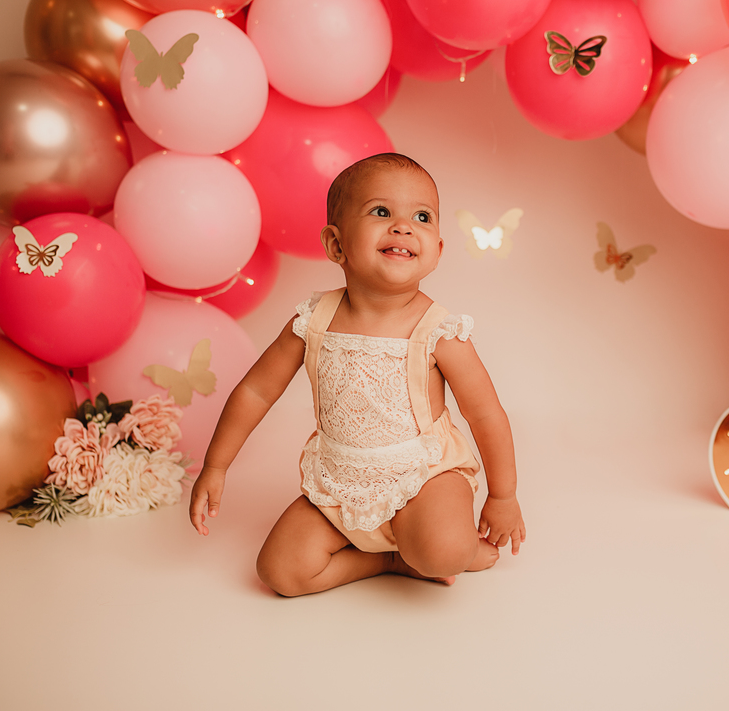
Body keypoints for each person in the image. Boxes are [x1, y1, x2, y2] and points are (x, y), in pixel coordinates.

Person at [189, 153, 525, 596]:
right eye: (381, 211)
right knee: (280, 572)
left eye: (422, 217)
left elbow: (486, 415)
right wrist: (216, 465)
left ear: (438, 252)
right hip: (340, 483)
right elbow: (255, 391)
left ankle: (426, 551)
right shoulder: (313, 321)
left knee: (445, 552)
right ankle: (390, 559)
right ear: (336, 244)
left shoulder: (438, 332)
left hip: (423, 476)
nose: (403, 227)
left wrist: (502, 496)